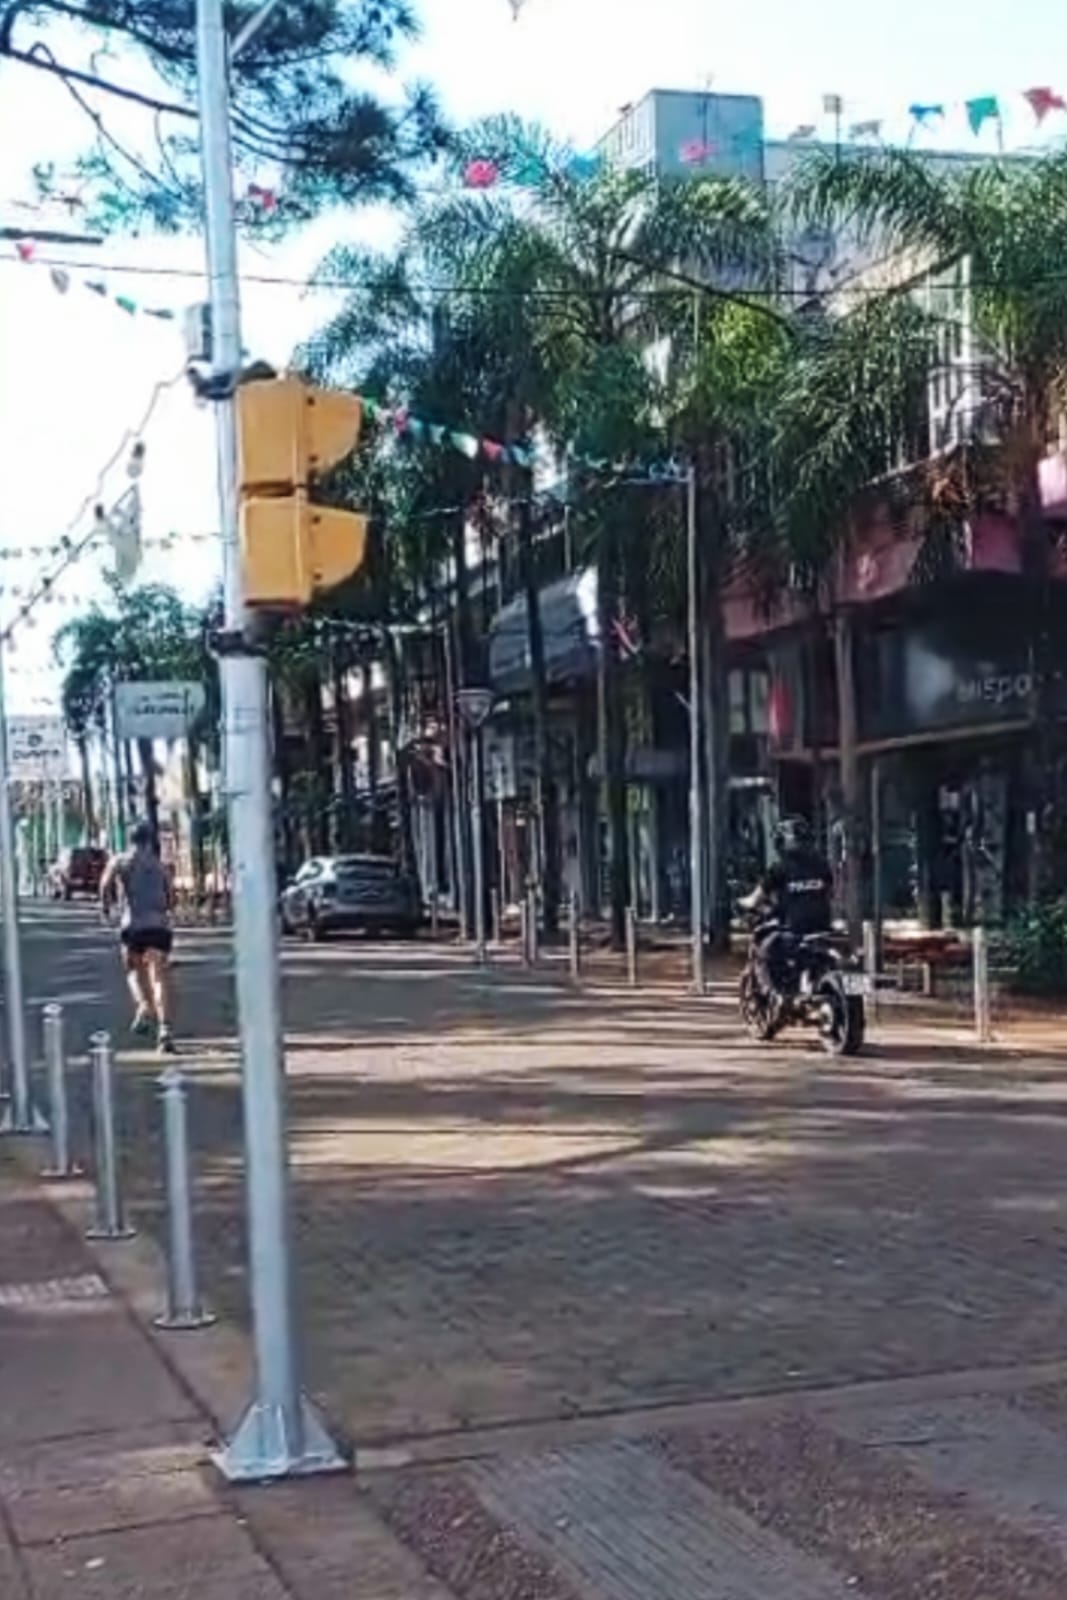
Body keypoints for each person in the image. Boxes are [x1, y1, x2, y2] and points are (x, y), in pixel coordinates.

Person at [100, 822, 176, 1054]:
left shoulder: (120, 860)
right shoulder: (159, 865)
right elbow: (171, 894)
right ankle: (164, 1029)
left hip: (133, 925)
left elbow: (105, 884)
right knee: (159, 977)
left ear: (130, 839)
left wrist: (106, 907)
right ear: (149, 840)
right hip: (159, 926)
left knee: (133, 970)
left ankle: (144, 1006)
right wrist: (166, 910)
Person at [739, 815, 834, 1000]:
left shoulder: (779, 868)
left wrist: (741, 903)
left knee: (766, 951)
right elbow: (830, 892)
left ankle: (782, 994)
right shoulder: (822, 865)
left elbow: (754, 900)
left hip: (795, 929)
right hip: (824, 927)